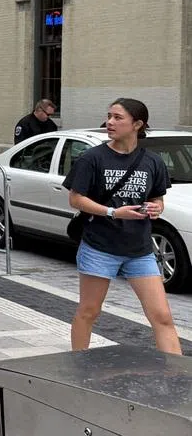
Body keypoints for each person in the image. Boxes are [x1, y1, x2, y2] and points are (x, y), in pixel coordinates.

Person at [63, 98, 181, 355]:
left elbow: (157, 197)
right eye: (109, 116)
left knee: (162, 316)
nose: (110, 122)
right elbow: (75, 199)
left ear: (137, 124)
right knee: (89, 311)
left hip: (140, 250)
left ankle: (177, 378)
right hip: (99, 247)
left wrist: (156, 207)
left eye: (118, 117)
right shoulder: (92, 158)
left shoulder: (152, 161)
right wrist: (112, 212)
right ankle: (78, 367)